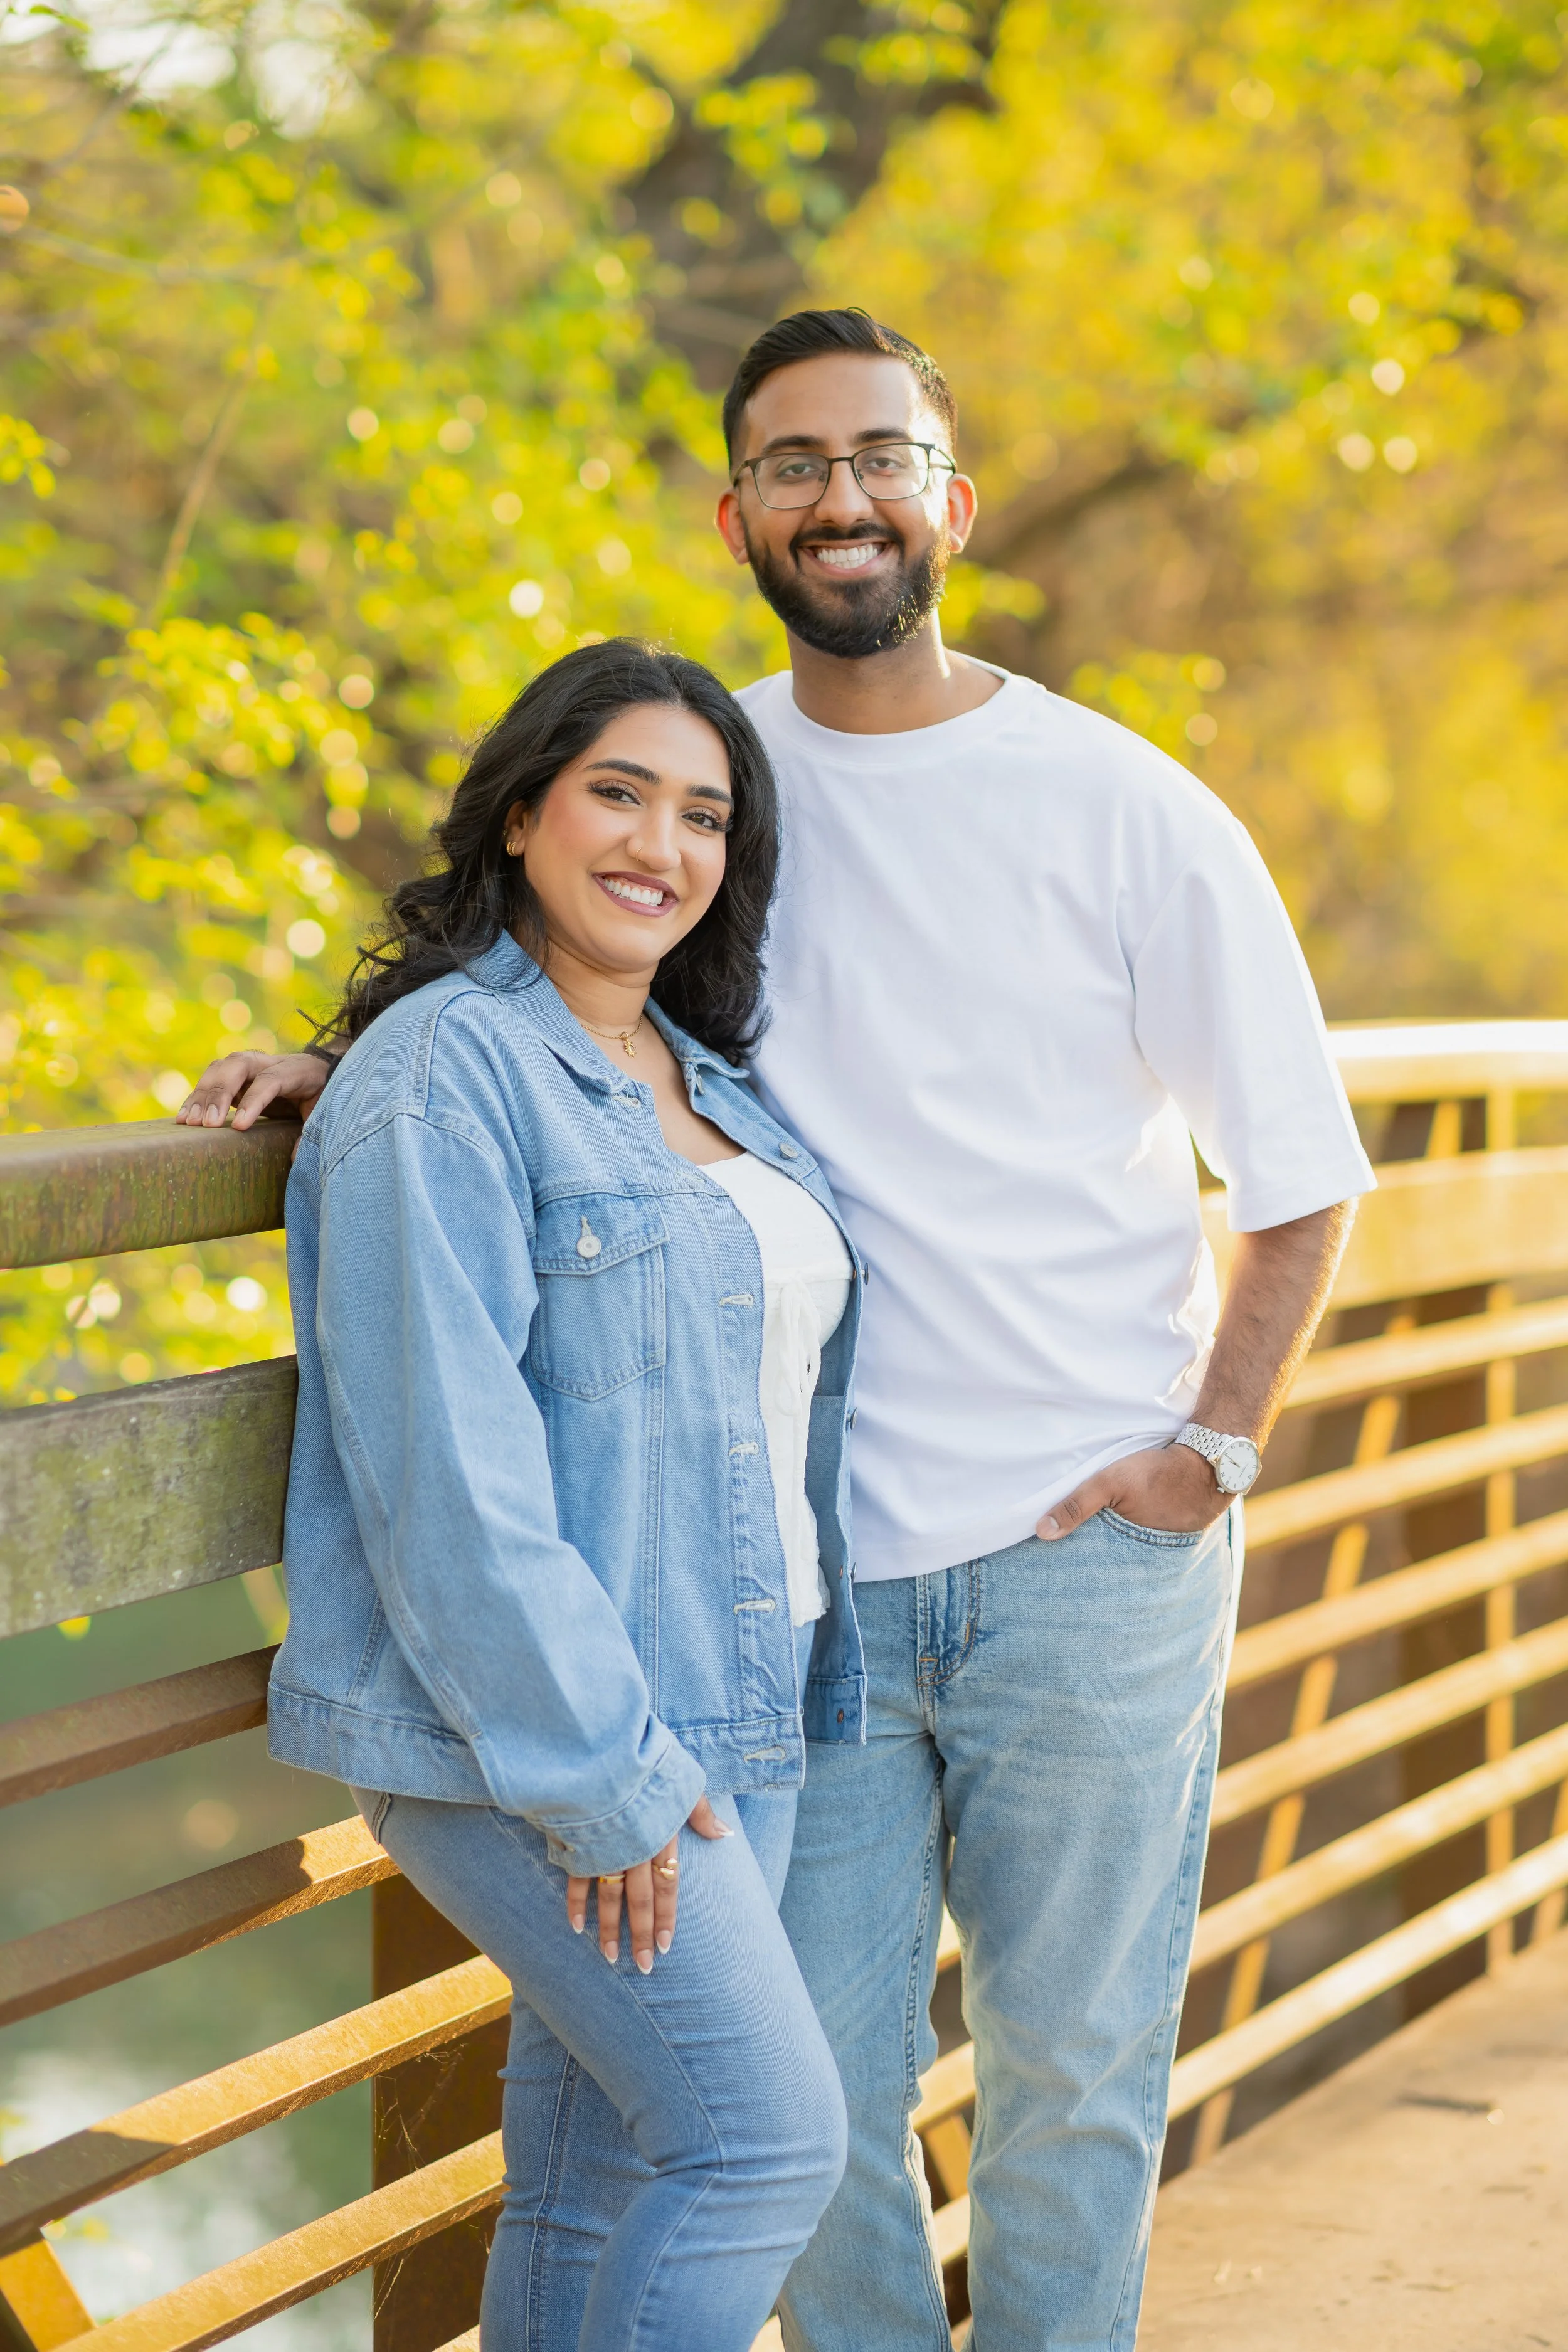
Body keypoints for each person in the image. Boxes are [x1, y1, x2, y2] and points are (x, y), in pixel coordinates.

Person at [186, 311, 1375, 2352]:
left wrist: (1212, 1449)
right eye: (798, 465)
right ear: (737, 512)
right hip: (789, 1609)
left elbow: (1302, 1172)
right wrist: (361, 1058)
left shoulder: (1121, 802)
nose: (845, 499)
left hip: (1083, 1558)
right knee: (804, 2127)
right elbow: (580, 1007)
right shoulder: (706, 774)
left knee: (1072, 2094)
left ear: (951, 501)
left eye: (883, 457)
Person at [263, 637, 865, 2352]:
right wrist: (595, 1775)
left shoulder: (713, 1077)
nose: (658, 845)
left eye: (703, 813)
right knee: (762, 2141)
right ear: (522, 812)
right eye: (618, 792)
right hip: (551, 1730)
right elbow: (443, 1471)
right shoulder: (444, 1071)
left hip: (740, 1698)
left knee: (601, 2173)